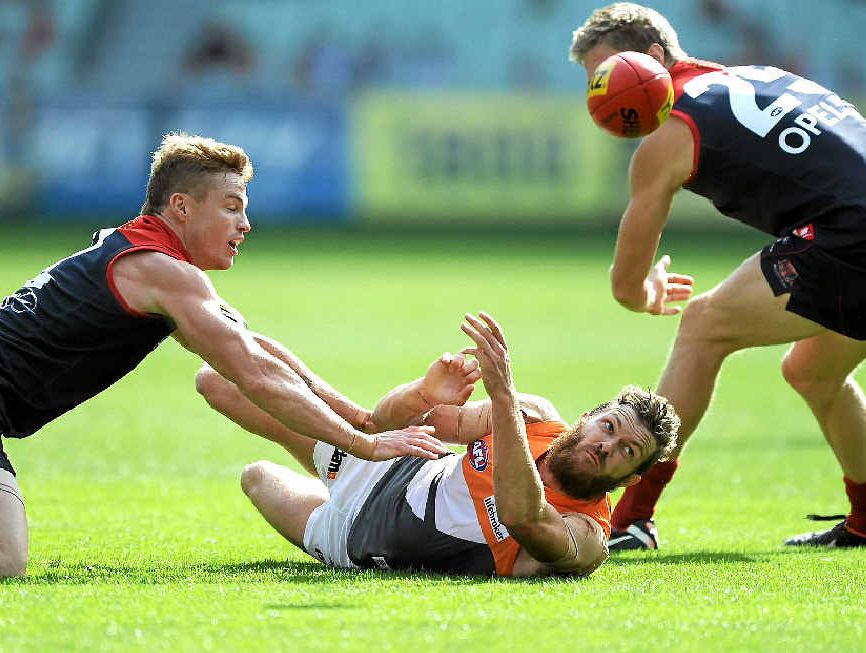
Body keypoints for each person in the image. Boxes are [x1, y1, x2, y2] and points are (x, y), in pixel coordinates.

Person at [0, 133, 446, 577]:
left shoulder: (149, 260)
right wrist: (362, 445)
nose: (245, 224)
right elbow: (256, 377)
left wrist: (361, 418)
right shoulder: (163, 271)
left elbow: (257, 353)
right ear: (182, 207)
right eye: (231, 207)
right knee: (7, 563)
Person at [570, 3, 866, 549]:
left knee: (703, 325)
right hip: (851, 229)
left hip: (850, 235)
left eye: (608, 73)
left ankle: (632, 517)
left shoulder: (671, 132)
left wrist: (644, 293)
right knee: (813, 372)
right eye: (594, 84)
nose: (601, 93)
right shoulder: (756, 76)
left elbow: (624, 286)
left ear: (655, 57)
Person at [196, 312, 679, 576]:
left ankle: (324, 490)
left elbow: (521, 514)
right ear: (591, 417)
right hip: (391, 466)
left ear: (629, 479)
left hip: (357, 540)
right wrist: (422, 396)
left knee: (256, 475)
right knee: (215, 378)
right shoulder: (534, 415)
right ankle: (188, 311)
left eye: (626, 452)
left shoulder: (588, 536)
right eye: (609, 427)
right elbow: (381, 420)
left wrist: (504, 396)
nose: (606, 446)